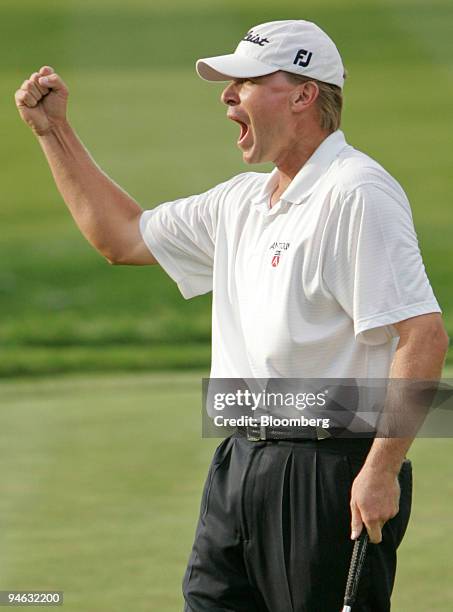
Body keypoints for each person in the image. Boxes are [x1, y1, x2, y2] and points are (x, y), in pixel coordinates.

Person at [15, 18, 448, 612]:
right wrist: (53, 132)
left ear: (303, 94)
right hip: (240, 461)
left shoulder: (356, 192)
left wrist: (381, 472)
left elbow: (423, 335)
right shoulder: (242, 202)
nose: (226, 94)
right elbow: (120, 238)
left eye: (244, 81)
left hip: (329, 469)